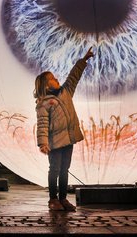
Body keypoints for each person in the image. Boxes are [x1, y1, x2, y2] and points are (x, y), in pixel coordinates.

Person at [34, 47, 94, 211]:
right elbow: (42, 124)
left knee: (65, 170)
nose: (56, 79)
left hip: (68, 139)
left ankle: (63, 199)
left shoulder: (65, 92)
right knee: (54, 169)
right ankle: (53, 199)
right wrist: (43, 143)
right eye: (52, 78)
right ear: (46, 85)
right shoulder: (44, 103)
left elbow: (73, 77)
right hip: (55, 142)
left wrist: (83, 60)